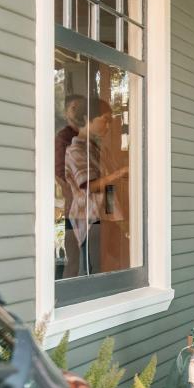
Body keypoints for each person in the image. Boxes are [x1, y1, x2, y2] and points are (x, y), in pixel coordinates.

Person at [65, 98, 128, 275]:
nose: (108, 126)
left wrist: (115, 216)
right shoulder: (76, 151)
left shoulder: (100, 150)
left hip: (105, 219)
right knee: (93, 271)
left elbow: (109, 185)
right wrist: (119, 173)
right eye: (105, 119)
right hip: (88, 220)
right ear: (87, 118)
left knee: (112, 266)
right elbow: (90, 186)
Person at [55, 94, 86, 278]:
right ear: (66, 112)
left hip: (85, 207)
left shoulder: (86, 138)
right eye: (74, 107)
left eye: (81, 108)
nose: (77, 111)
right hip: (67, 207)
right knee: (67, 257)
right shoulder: (63, 138)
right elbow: (59, 175)